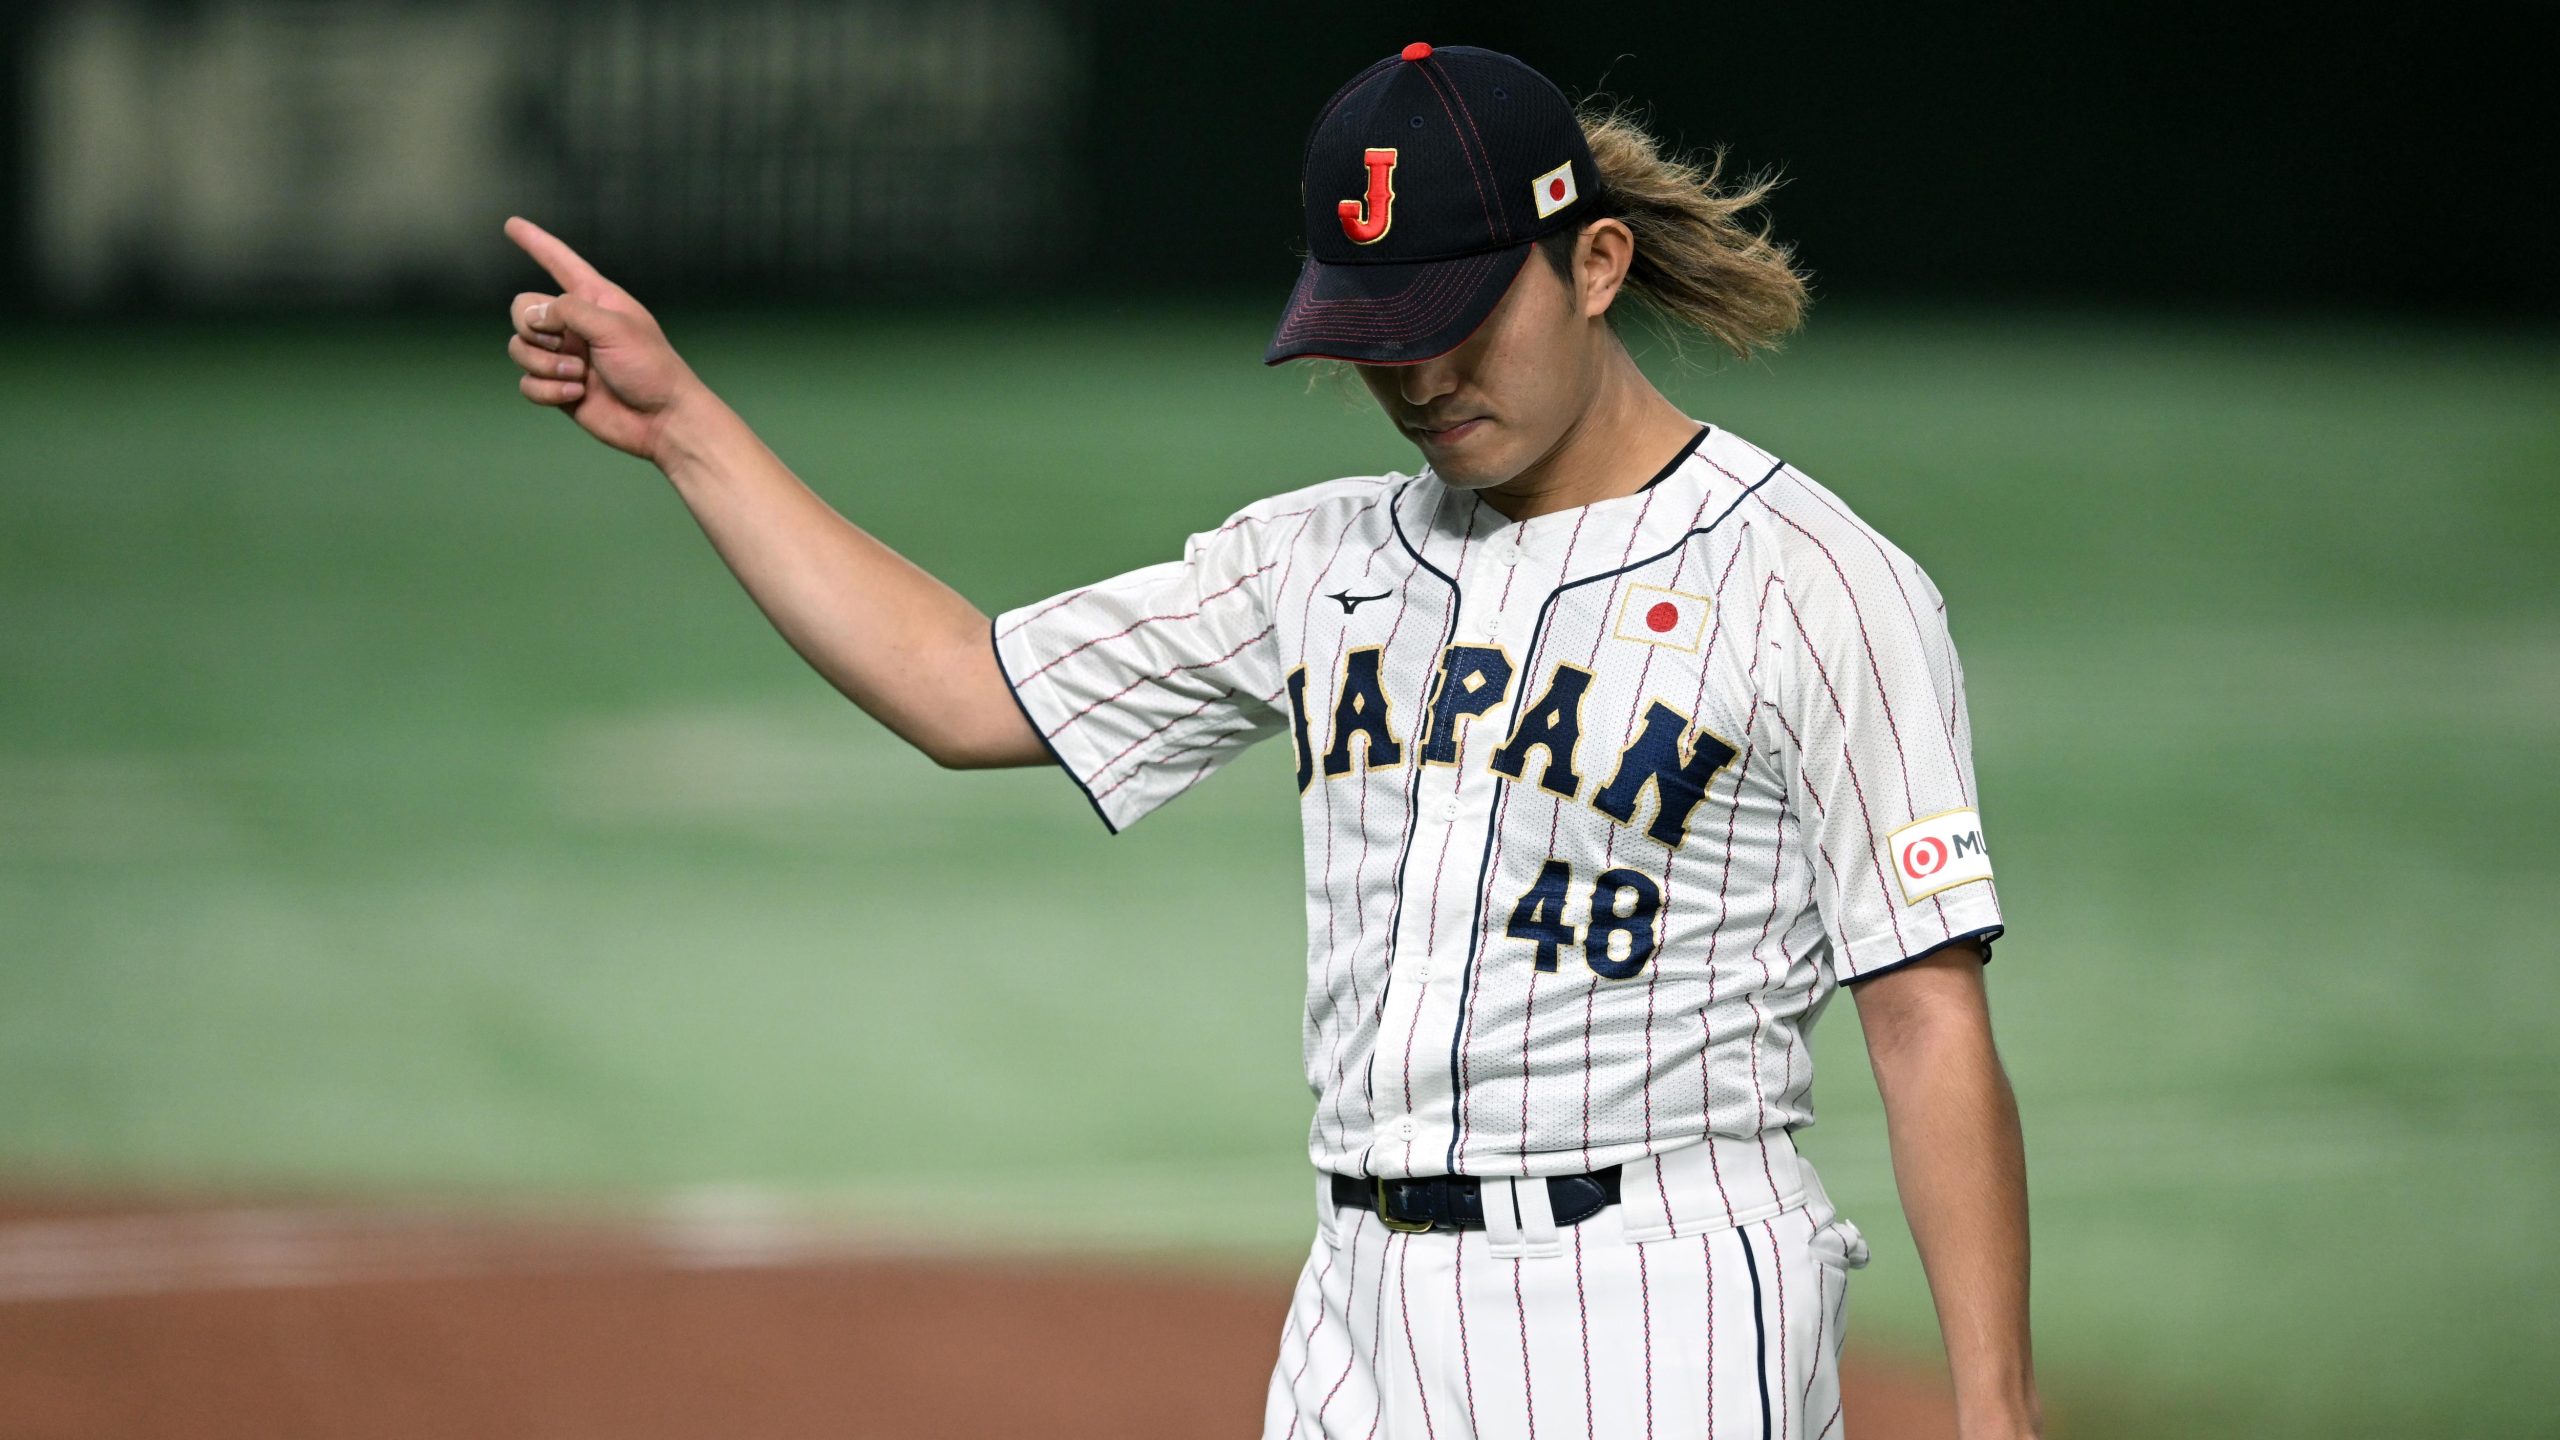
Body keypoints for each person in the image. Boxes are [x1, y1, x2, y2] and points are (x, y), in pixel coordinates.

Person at [502, 41, 2039, 1440]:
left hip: (1654, 1305)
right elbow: (965, 688)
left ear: (1594, 264)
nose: (1418, 378)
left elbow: (1924, 1019)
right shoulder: (1318, 565)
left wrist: (1993, 1407)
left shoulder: (1816, 585)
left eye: (1456, 319)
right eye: (1379, 334)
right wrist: (686, 426)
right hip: (1357, 1319)